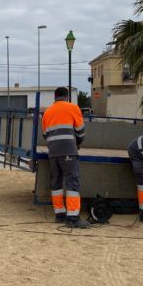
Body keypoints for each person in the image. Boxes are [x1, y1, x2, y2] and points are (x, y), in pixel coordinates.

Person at [42, 87, 90, 228]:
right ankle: (73, 217)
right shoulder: (72, 108)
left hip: (53, 152)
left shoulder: (47, 112)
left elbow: (45, 134)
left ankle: (60, 214)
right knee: (72, 182)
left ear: (55, 97)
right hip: (68, 150)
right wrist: (77, 144)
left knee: (56, 182)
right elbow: (80, 131)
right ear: (66, 96)